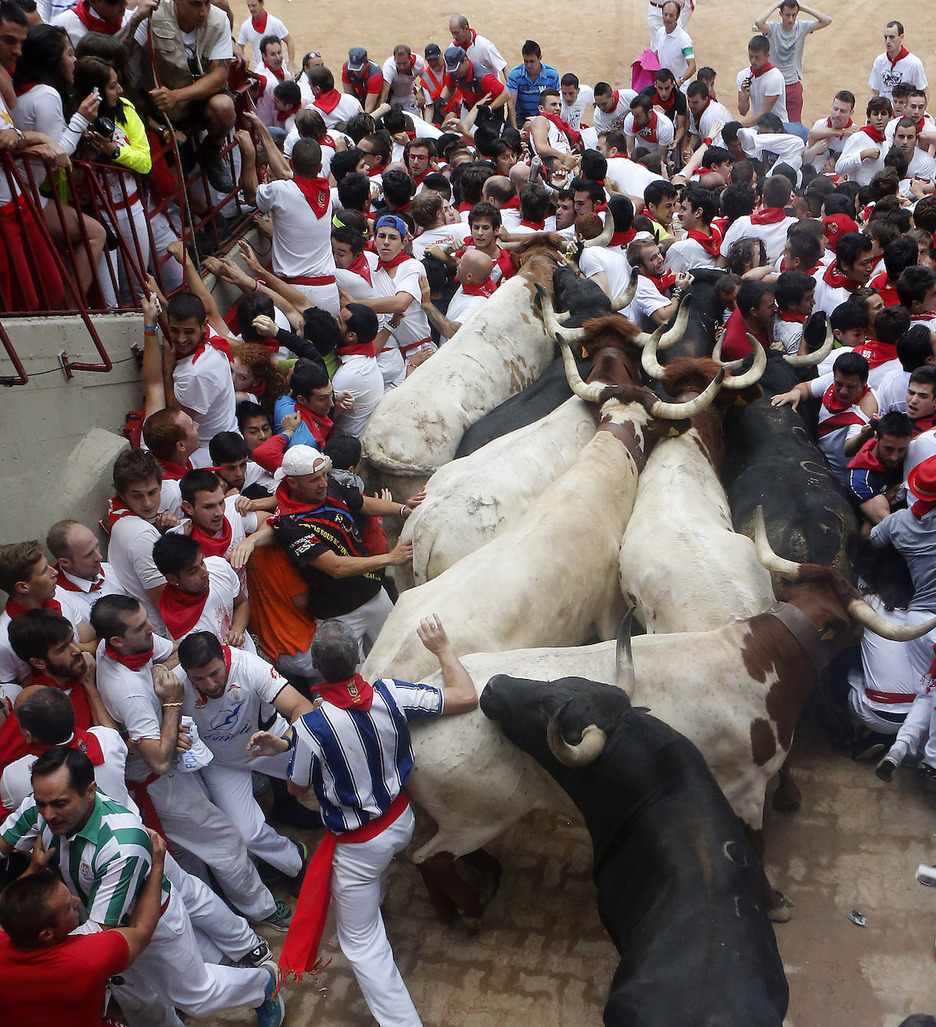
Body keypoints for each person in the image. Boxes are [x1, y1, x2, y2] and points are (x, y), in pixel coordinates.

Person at [246, 615, 478, 1027]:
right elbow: (465, 696)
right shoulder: (390, 693)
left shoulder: (312, 728)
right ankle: (376, 898)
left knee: (362, 943)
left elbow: (297, 788)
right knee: (378, 868)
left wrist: (288, 747)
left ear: (315, 668)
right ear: (357, 658)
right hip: (401, 819)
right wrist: (442, 648)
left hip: (360, 845)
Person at [0, 748, 285, 1027]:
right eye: (42, 803)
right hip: (91, 923)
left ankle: (262, 985)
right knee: (143, 1008)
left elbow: (102, 933)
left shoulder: (121, 845)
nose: (48, 814)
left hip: (149, 924)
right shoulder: (40, 806)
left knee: (196, 996)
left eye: (60, 804)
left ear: (90, 792)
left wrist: (33, 952)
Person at [89, 594, 293, 933]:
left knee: (191, 855)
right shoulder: (130, 691)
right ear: (116, 641)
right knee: (227, 841)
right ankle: (263, 910)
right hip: (160, 781)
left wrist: (166, 675)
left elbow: (172, 652)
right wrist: (171, 709)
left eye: (145, 620)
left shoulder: (124, 647)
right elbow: (158, 759)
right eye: (140, 627)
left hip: (173, 764)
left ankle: (217, 915)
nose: (151, 628)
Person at [175, 630, 314, 892]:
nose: (210, 685)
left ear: (224, 657)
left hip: (268, 742)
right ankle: (294, 860)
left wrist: (284, 742)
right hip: (223, 763)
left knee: (326, 763)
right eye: (199, 679)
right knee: (247, 834)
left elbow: (302, 707)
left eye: (215, 673)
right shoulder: (177, 685)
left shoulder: (248, 666)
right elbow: (160, 733)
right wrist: (174, 734)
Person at [0, 814, 167, 1025]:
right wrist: (157, 866)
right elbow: (141, 929)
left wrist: (34, 869)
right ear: (47, 934)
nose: (78, 901)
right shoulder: (85, 959)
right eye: (69, 907)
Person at [268, 446, 414, 652]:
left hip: (374, 594)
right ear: (292, 482)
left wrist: (402, 509)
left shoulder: (330, 484)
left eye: (323, 475)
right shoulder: (288, 524)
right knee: (353, 670)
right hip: (339, 616)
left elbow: (362, 503)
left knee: (399, 652)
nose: (323, 483)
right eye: (314, 480)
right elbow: (336, 567)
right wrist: (390, 558)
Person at [131, 0, 236, 192]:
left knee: (225, 107)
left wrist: (176, 96)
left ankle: (211, 149)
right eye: (196, 4)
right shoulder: (152, 16)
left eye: (207, 3)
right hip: (159, 109)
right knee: (173, 180)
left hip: (195, 101)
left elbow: (220, 76)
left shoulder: (219, 19)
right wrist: (135, 19)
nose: (204, 11)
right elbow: (123, 61)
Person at [73, 54, 152, 302]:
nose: (120, 90)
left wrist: (113, 151)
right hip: (97, 215)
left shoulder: (125, 108)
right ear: (93, 92)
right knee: (111, 300)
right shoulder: (73, 117)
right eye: (112, 86)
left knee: (140, 286)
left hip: (131, 208)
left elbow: (145, 162)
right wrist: (79, 142)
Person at [241, 137, 339, 315]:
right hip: (328, 291)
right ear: (319, 168)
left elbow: (250, 197)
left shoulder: (280, 190)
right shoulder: (329, 195)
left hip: (292, 290)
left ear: (291, 163)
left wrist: (249, 154)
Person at [772, 350, 877, 485]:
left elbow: (849, 449)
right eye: (839, 384)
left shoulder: (867, 406)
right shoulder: (831, 381)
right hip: (816, 459)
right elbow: (806, 388)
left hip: (840, 479)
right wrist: (796, 392)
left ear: (864, 383)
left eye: (851, 387)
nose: (843, 391)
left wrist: (864, 434)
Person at [163, 291, 239, 466]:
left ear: (204, 325)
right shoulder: (208, 333)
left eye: (188, 332)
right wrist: (159, 298)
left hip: (208, 454)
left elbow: (177, 415)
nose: (181, 339)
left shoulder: (195, 373)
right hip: (227, 434)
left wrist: (166, 368)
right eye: (174, 330)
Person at [0, 540, 86, 685]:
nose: (55, 572)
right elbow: (14, 691)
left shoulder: (58, 593)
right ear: (23, 587)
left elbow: (91, 640)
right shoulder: (3, 641)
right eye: (44, 570)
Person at [152, 533, 252, 651]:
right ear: (173, 579)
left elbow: (241, 603)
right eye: (193, 571)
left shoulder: (220, 567)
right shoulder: (180, 631)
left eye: (202, 562)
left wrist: (237, 630)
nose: (205, 573)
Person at [753, 0, 831, 123]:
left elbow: (827, 20)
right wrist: (777, 4)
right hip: (774, 85)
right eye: (787, 15)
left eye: (794, 15)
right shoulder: (773, 28)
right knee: (770, 124)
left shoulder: (801, 27)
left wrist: (802, 7)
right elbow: (758, 22)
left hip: (792, 84)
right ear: (780, 14)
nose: (790, 19)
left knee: (794, 125)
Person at [47, 520, 127, 620]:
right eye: (89, 555)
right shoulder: (63, 601)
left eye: (96, 546)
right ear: (65, 562)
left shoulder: (110, 570)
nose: (99, 557)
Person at [844, 412, 913, 527]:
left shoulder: (913, 448)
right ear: (876, 437)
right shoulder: (860, 481)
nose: (895, 457)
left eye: (901, 450)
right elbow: (891, 528)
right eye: (888, 449)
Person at [720, 174, 797, 268]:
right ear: (789, 201)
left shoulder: (742, 224)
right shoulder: (795, 226)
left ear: (763, 199)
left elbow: (721, 263)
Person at [622, 237, 692, 330]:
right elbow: (664, 318)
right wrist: (679, 290)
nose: (661, 259)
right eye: (653, 258)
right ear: (639, 267)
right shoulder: (642, 286)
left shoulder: (657, 276)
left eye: (659, 253)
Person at [835, 96, 892, 185]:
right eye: (875, 114)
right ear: (869, 117)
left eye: (883, 114)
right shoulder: (858, 138)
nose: (879, 118)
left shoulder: (885, 143)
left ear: (889, 117)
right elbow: (839, 169)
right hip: (858, 191)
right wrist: (862, 155)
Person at [868, 21, 927, 104]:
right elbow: (874, 91)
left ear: (901, 37)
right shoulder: (879, 61)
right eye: (886, 37)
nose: (888, 41)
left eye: (892, 37)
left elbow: (923, 92)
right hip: (884, 111)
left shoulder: (914, 63)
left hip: (905, 111)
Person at [736, 34, 787, 128]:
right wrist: (745, 96)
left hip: (778, 128)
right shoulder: (742, 75)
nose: (753, 61)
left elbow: (764, 113)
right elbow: (743, 112)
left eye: (757, 57)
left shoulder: (775, 77)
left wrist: (739, 126)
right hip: (758, 127)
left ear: (767, 56)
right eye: (751, 56)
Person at [506, 39, 559, 128]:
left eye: (532, 61)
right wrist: (515, 130)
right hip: (520, 118)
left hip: (543, 118)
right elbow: (511, 104)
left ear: (540, 58)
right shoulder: (515, 74)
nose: (529, 65)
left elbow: (556, 102)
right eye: (526, 61)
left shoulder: (552, 75)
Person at [719, 280, 775, 360]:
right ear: (753, 312)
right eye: (770, 306)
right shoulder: (740, 348)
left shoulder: (744, 305)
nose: (776, 308)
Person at [804, 90, 857, 174]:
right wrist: (814, 150)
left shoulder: (854, 135)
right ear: (831, 107)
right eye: (835, 109)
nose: (837, 114)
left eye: (842, 111)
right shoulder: (820, 125)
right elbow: (805, 160)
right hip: (812, 175)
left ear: (851, 113)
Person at [448, 13, 507, 83]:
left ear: (466, 28)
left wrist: (511, 87)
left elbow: (504, 67)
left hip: (489, 87)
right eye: (452, 33)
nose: (454, 37)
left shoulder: (484, 45)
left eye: (456, 33)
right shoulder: (453, 48)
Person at [652, 1, 696, 92]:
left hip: (679, 88)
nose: (668, 18)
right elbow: (657, 54)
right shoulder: (660, 33)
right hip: (663, 87)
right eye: (665, 15)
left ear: (678, 16)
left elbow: (692, 66)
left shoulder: (685, 39)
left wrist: (681, 80)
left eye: (671, 15)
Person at [235, 0, 292, 69]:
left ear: (262, 3)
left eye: (254, 6)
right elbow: (240, 46)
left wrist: (291, 63)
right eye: (249, 6)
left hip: (279, 68)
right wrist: (242, 59)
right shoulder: (246, 26)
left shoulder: (275, 23)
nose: (251, 9)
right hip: (260, 69)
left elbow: (289, 41)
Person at [772, 269, 815, 355]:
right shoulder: (798, 335)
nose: (813, 302)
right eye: (808, 299)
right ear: (791, 304)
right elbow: (801, 362)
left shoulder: (774, 315)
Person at [381, 43, 425, 117]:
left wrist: (421, 91)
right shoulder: (389, 66)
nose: (402, 67)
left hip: (410, 95)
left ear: (410, 58)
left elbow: (428, 81)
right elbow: (384, 94)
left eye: (404, 63)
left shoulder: (418, 62)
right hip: (394, 98)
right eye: (399, 63)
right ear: (394, 59)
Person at [342, 46, 383, 113]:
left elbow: (369, 107)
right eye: (353, 68)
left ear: (366, 64)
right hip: (359, 96)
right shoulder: (346, 68)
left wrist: (363, 118)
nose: (355, 72)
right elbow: (349, 96)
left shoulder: (375, 76)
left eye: (359, 69)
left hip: (374, 99)